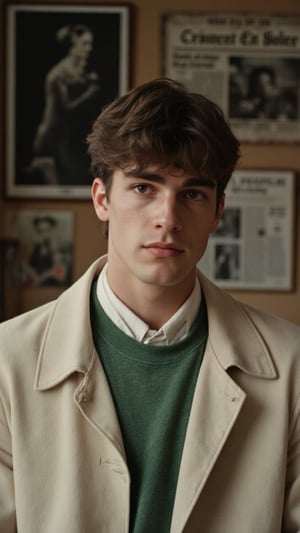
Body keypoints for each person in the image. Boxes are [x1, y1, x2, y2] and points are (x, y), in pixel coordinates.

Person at [0, 78, 299, 533]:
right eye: (144, 188)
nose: (168, 218)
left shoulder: (292, 362)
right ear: (102, 199)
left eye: (193, 194)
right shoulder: (6, 360)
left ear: (218, 211)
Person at [27, 24, 100, 185]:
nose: (89, 48)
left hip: (70, 138)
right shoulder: (58, 74)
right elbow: (66, 108)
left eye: (90, 43)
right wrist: (89, 93)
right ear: (72, 45)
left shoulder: (81, 71)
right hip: (53, 138)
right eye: (85, 44)